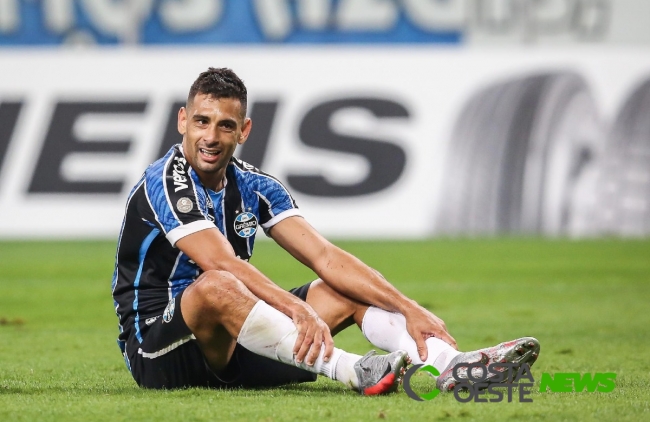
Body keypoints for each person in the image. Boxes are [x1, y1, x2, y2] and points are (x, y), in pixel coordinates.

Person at [112, 67, 540, 395]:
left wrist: (409, 307)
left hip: (244, 344)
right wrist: (298, 311)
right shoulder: (166, 181)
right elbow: (218, 263)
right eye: (202, 121)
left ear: (243, 131)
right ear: (182, 121)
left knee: (340, 287)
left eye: (225, 125)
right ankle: (354, 370)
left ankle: (454, 367)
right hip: (159, 350)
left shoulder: (256, 186)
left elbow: (325, 257)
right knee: (215, 283)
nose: (211, 136)